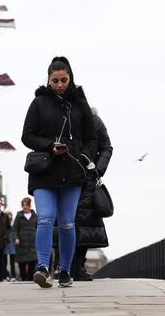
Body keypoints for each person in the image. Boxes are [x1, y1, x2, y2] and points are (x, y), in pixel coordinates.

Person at [21, 56, 97, 289]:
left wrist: (84, 157)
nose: (60, 84)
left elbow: (92, 137)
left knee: (66, 223)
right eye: (55, 80)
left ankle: (65, 270)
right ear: (48, 80)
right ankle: (43, 267)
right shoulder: (38, 103)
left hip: (73, 171)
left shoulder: (80, 103)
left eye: (64, 79)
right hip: (45, 171)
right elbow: (27, 136)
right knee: (44, 218)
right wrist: (49, 145)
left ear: (70, 77)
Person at [70, 108, 113, 281]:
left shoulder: (95, 121)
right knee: (65, 220)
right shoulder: (59, 117)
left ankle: (77, 265)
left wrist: (98, 169)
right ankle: (64, 264)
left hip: (87, 177)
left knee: (84, 222)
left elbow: (106, 147)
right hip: (63, 175)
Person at [13, 197, 38, 281]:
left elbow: (38, 229)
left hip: (32, 245)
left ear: (30, 205)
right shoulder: (19, 216)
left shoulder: (35, 216)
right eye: (23, 205)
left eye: (26, 205)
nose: (24, 207)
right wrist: (16, 238)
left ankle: (30, 281)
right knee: (22, 266)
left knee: (32, 266)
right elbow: (15, 229)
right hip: (21, 245)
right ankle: (23, 280)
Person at [5, 211, 17, 280]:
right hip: (5, 245)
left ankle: (13, 276)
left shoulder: (13, 225)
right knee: (5, 262)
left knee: (12, 263)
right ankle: (5, 276)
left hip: (12, 245)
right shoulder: (3, 225)